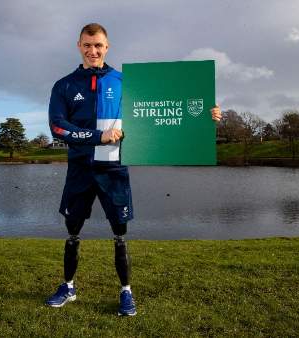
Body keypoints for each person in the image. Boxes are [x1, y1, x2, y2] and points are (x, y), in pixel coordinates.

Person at [45, 23, 222, 316]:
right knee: (73, 230)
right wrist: (96, 137)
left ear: (107, 46)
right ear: (78, 46)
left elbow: (168, 110)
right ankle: (68, 286)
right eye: (87, 45)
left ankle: (126, 291)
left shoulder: (126, 82)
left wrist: (205, 115)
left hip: (114, 169)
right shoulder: (64, 85)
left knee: (119, 232)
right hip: (80, 169)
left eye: (98, 45)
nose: (93, 51)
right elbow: (57, 127)